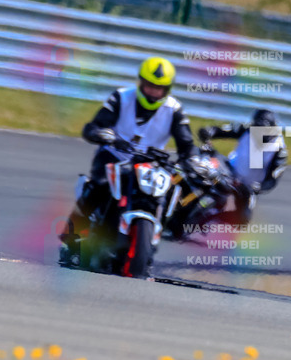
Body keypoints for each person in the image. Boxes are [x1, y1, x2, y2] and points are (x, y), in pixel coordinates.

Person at [61, 57, 196, 259]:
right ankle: (74, 234)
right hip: (115, 156)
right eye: (149, 86)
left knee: (174, 193)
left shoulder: (174, 109)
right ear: (140, 82)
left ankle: (152, 239)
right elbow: (93, 127)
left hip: (151, 164)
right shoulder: (121, 98)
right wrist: (105, 135)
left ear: (167, 89)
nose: (153, 92)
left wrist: (191, 160)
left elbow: (187, 144)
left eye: (158, 88)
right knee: (99, 185)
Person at [197, 109, 288, 217]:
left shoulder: (280, 150)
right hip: (228, 170)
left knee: (244, 218)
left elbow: (272, 180)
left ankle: (212, 220)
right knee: (200, 168)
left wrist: (259, 187)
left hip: (247, 187)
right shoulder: (246, 129)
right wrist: (208, 132)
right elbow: (221, 130)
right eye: (257, 128)